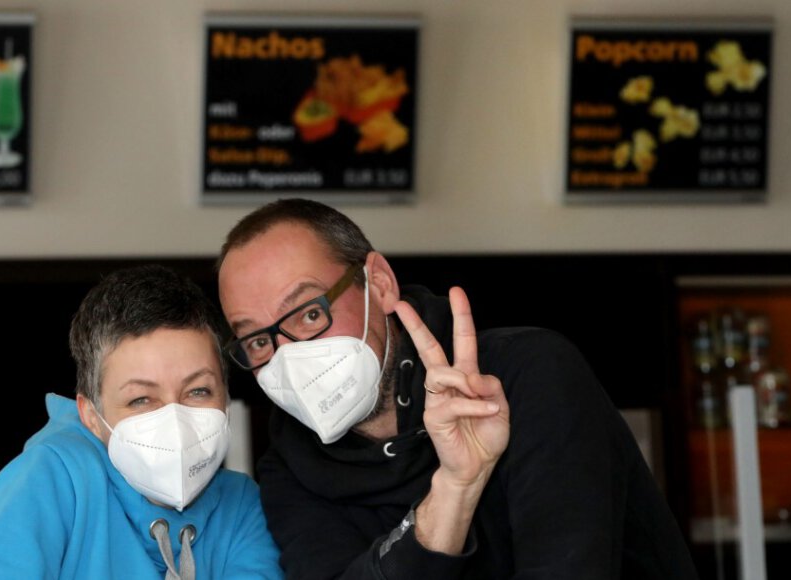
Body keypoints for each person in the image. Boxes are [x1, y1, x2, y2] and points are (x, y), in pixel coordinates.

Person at [216, 198, 697, 579]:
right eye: (259, 341)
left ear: (380, 284)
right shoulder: (288, 466)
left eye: (310, 314)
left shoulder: (528, 374)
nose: (290, 356)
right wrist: (453, 492)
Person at [0, 265, 282, 580]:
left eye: (198, 391)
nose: (175, 420)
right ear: (91, 415)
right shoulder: (50, 480)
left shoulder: (242, 505)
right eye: (140, 399)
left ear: (225, 396)